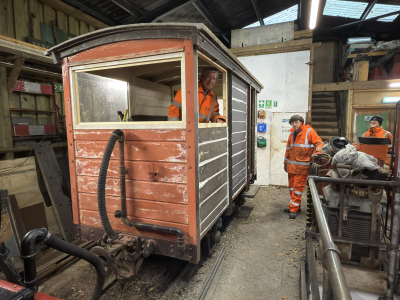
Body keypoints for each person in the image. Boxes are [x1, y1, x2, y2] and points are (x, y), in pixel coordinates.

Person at [284, 115, 324, 220]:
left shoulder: (309, 131)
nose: (294, 124)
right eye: (292, 123)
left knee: (297, 189)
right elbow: (288, 149)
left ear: (301, 122)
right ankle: (296, 207)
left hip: (302, 167)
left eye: (296, 122)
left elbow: (319, 143)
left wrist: (318, 151)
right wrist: (285, 163)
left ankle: (293, 210)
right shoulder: (292, 133)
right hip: (291, 166)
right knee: (292, 188)